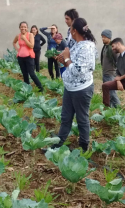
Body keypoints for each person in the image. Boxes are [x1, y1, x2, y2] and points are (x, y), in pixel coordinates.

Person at [51, 18, 97, 152]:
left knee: (82, 119)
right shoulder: (77, 44)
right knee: (65, 117)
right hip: (70, 87)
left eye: (70, 28)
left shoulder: (87, 47)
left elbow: (78, 71)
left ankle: (83, 147)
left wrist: (66, 59)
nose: (69, 31)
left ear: (75, 30)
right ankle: (58, 145)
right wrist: (63, 59)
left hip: (81, 89)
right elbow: (70, 62)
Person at [13, 21, 43, 92]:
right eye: (22, 27)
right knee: (24, 73)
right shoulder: (18, 36)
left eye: (25, 27)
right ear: (19, 28)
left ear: (27, 28)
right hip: (20, 58)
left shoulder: (30, 35)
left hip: (29, 57)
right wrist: (18, 49)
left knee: (32, 73)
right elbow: (14, 42)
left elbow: (31, 46)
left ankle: (40, 88)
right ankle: (27, 88)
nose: (23, 28)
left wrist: (25, 39)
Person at [100, 29, 120, 107]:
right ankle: (111, 108)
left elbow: (118, 61)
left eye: (104, 37)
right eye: (102, 37)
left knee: (112, 93)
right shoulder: (105, 47)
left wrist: (117, 73)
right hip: (105, 73)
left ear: (109, 38)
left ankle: (118, 107)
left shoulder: (112, 48)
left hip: (110, 74)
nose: (103, 38)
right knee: (108, 92)